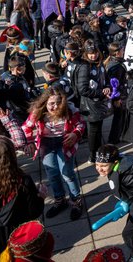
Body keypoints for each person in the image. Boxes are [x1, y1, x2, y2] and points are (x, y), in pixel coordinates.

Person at [22, 87, 85, 220]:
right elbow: (26, 127)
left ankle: (76, 201)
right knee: (52, 174)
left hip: (65, 143)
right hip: (46, 144)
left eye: (58, 103)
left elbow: (81, 123)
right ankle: (60, 200)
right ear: (45, 103)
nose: (55, 106)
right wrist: (30, 142)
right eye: (51, 103)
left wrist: (75, 133)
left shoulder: (70, 110)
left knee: (67, 173)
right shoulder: (38, 112)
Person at [75, 39, 112, 163]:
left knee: (98, 129)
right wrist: (101, 92)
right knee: (93, 130)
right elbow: (83, 89)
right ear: (85, 53)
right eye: (91, 53)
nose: (93, 55)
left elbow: (105, 78)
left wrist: (107, 87)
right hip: (90, 105)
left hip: (99, 103)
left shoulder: (99, 63)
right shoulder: (85, 66)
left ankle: (98, 150)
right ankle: (93, 155)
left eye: (95, 52)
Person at [105, 42, 128, 144]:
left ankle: (117, 136)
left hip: (120, 95)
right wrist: (117, 99)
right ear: (117, 53)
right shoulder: (116, 66)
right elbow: (114, 85)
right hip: (119, 97)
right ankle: (114, 139)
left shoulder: (113, 63)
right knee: (118, 118)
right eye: (122, 49)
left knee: (120, 117)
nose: (123, 51)